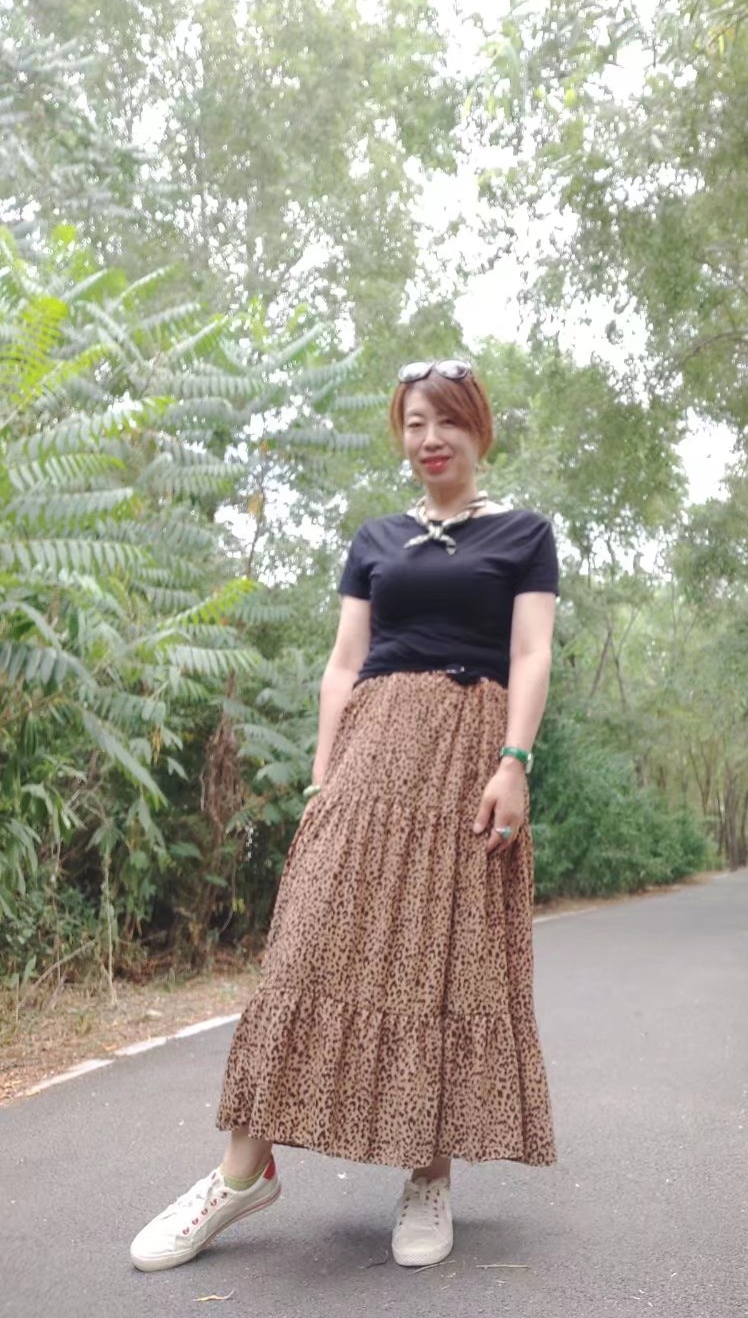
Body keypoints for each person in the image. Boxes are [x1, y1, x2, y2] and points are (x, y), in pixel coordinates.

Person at [130, 358, 559, 1273]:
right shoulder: (375, 539)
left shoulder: (523, 535)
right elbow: (343, 661)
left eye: (446, 421)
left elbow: (531, 652)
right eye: (414, 423)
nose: (430, 439)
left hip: (469, 754)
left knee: (444, 957)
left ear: (479, 428)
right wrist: (323, 779)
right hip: (371, 749)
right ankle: (242, 1173)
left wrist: (513, 762)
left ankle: (429, 1175)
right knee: (307, 943)